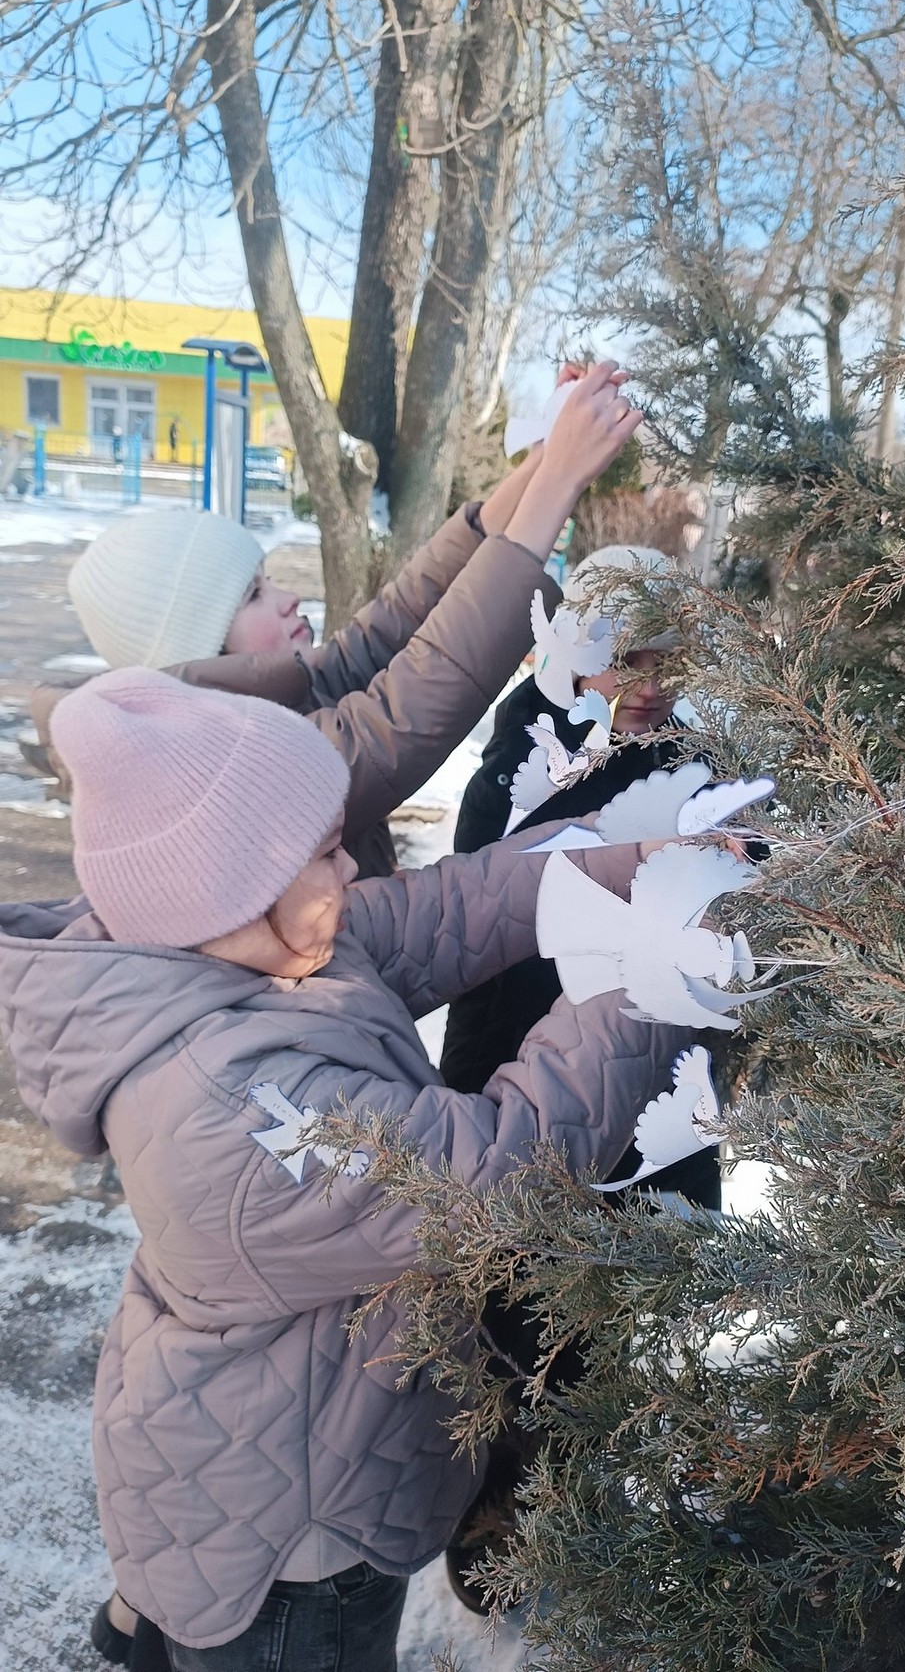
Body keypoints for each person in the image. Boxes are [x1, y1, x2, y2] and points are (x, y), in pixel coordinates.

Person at [0, 670, 682, 1672]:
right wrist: (651, 966)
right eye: (321, 853)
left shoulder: (237, 951)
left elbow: (441, 912)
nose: (346, 874)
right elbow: (488, 1177)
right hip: (289, 1547)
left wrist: (641, 864)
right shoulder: (230, 1112)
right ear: (221, 888)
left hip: (287, 1438)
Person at [31, 362, 641, 879]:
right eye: (252, 596)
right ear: (194, 643)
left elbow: (389, 631)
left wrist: (537, 465)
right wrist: (560, 481)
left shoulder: (262, 704)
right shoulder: (203, 765)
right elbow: (389, 732)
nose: (288, 598)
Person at [438, 544, 722, 1610]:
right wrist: (474, 1119)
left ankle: (597, 1515)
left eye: (668, 650)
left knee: (624, 1344)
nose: (648, 677)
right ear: (573, 655)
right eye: (621, 655)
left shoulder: (708, 761)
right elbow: (477, 970)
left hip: (662, 1105)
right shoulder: (519, 772)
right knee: (524, 1340)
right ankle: (498, 1523)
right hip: (538, 1110)